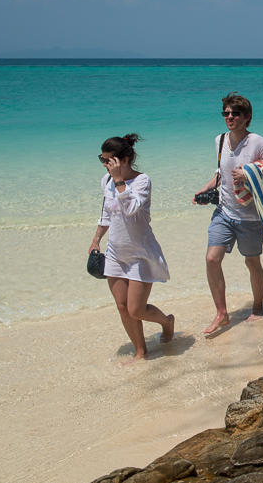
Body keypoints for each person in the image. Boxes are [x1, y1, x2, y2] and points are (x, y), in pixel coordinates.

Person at [193, 93, 263, 335]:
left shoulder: (259, 144)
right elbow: (220, 172)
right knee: (212, 259)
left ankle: (258, 306)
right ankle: (222, 313)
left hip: (250, 217)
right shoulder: (220, 141)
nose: (230, 117)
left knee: (252, 262)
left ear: (247, 117)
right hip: (223, 211)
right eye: (226, 113)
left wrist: (250, 174)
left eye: (235, 113)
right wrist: (205, 189)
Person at [89, 134, 174, 361]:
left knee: (136, 309)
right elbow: (106, 214)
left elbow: (132, 210)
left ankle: (166, 321)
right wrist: (96, 239)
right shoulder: (105, 181)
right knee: (122, 306)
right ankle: (140, 351)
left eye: (109, 161)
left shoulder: (142, 181)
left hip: (141, 254)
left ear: (124, 160)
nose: (105, 165)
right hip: (116, 252)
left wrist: (119, 182)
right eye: (102, 160)